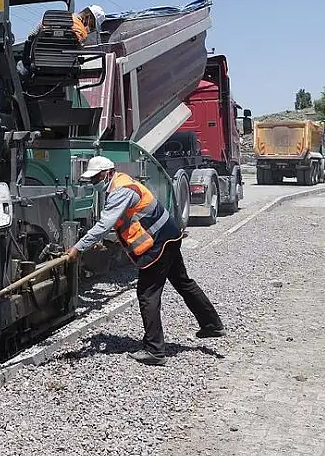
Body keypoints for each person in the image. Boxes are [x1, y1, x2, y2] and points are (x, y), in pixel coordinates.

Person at [65, 156, 225, 365]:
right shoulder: (122, 182)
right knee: (183, 282)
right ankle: (212, 324)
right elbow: (124, 221)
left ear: (108, 173)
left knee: (147, 294)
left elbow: (104, 224)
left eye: (96, 178)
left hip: (157, 245)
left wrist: (78, 247)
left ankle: (155, 350)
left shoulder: (121, 190)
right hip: (169, 236)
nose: (94, 183)